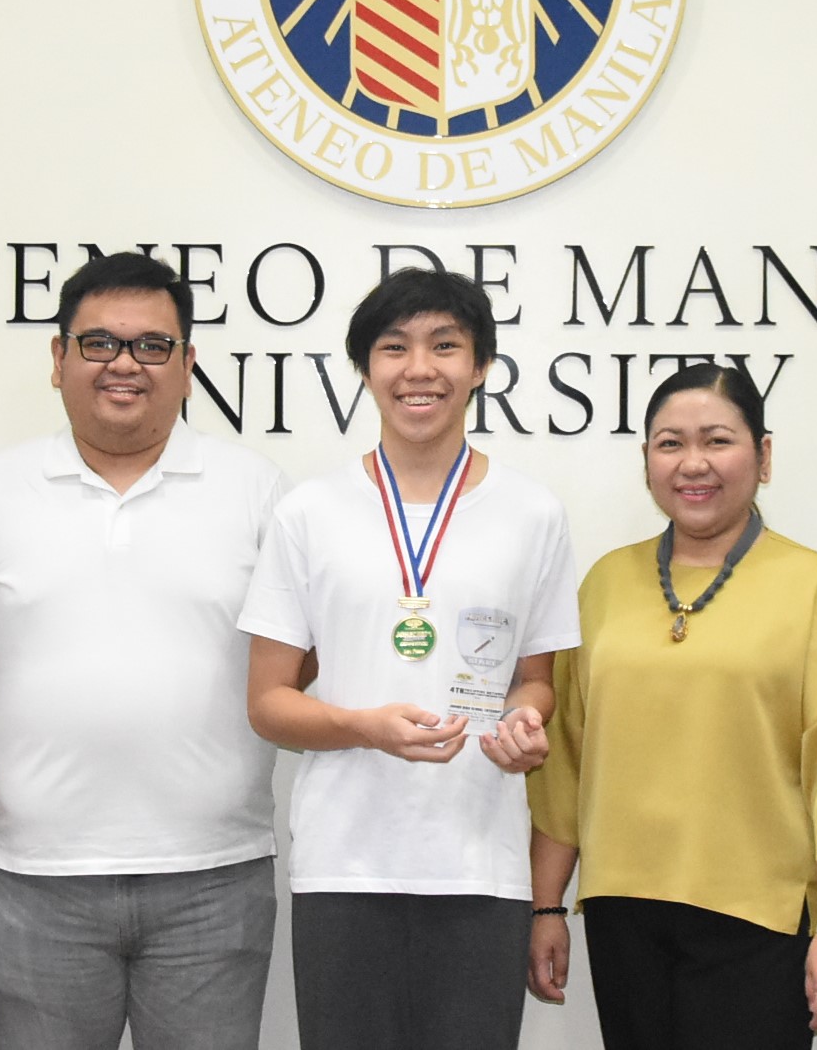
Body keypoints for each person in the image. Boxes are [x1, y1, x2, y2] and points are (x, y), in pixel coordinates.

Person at [0, 252, 288, 1050]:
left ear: (189, 364)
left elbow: (290, 666)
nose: (125, 364)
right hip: (39, 884)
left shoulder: (257, 490)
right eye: (98, 344)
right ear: (58, 360)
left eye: (152, 346)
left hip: (214, 878)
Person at [524, 363, 817, 1049]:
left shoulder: (810, 586)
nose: (693, 463)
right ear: (646, 461)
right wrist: (545, 906)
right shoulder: (606, 583)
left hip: (761, 922)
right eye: (669, 443)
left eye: (717, 440)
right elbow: (566, 766)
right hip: (626, 914)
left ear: (763, 457)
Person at [241, 268, 579, 1050]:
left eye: (445, 346)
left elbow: (535, 680)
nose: (419, 368)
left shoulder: (534, 514)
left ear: (482, 367)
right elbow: (268, 703)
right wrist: (365, 727)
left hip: (482, 869)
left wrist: (527, 721)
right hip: (344, 867)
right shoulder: (309, 514)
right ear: (365, 369)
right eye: (394, 347)